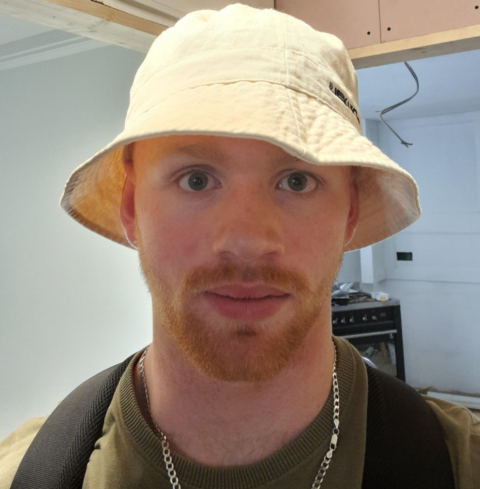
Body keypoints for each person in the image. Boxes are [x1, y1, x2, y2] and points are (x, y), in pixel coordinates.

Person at [1, 4, 479, 489]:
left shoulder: (457, 463)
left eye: (297, 180)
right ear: (131, 208)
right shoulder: (32, 472)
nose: (246, 241)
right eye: (195, 179)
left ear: (350, 213)